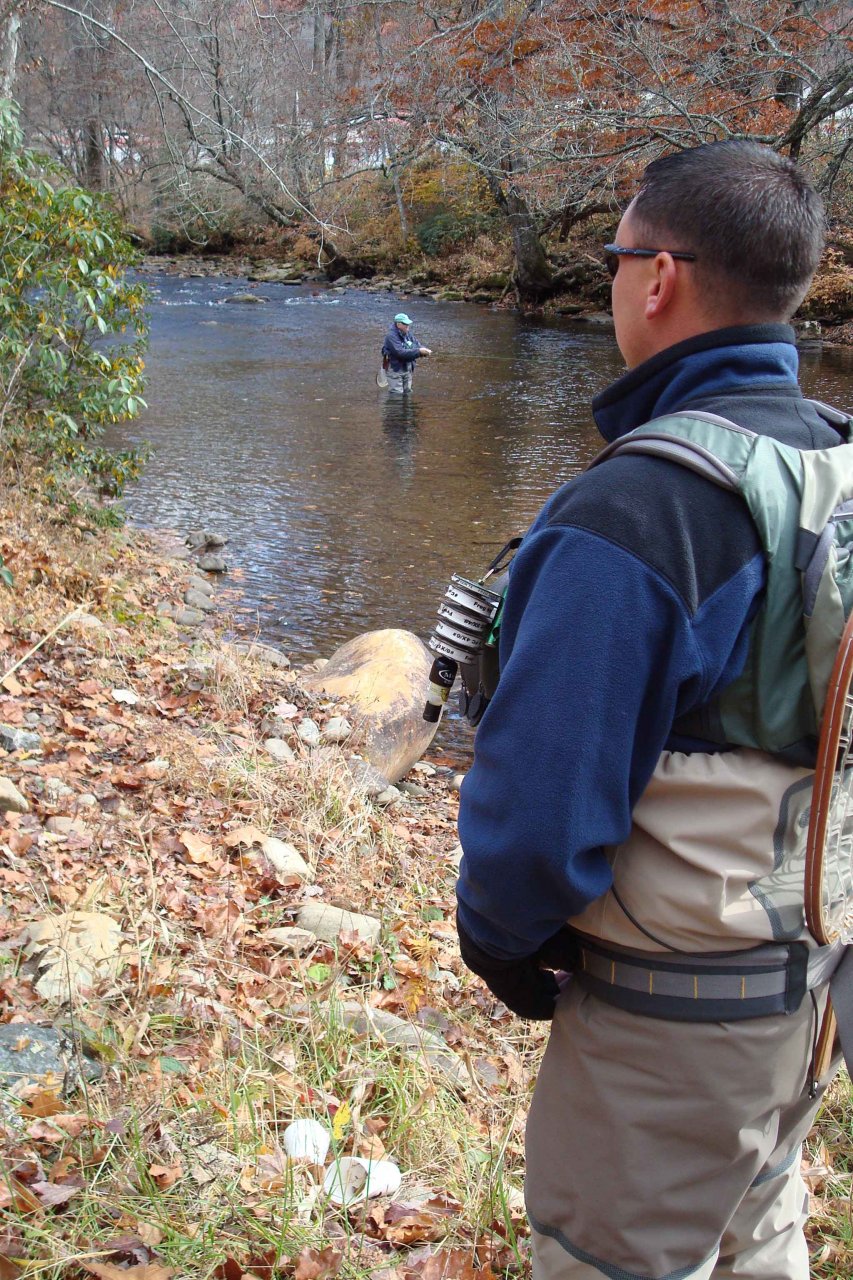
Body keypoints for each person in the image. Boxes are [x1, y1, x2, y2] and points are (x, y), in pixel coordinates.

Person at [455, 139, 849, 1280]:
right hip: (808, 997)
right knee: (757, 1239)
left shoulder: (634, 509)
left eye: (615, 257)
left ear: (659, 275)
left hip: (664, 1028)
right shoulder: (835, 465)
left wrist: (504, 948)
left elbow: (538, 818)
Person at [381, 312, 432, 393]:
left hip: (407, 368)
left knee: (407, 393)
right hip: (395, 369)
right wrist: (419, 352)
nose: (408, 326)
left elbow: (417, 345)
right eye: (405, 324)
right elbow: (400, 353)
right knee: (396, 395)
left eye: (408, 324)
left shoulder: (408, 334)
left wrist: (424, 350)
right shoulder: (391, 336)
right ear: (398, 324)